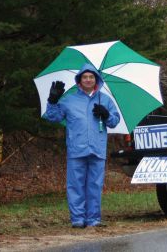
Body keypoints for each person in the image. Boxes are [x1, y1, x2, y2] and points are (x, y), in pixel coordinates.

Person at [44, 63, 120, 228]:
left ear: (96, 79)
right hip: (76, 149)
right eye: (85, 77)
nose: (88, 79)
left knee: (95, 185)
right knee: (75, 185)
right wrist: (52, 100)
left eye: (91, 77)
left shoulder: (105, 100)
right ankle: (77, 219)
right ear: (79, 80)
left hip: (97, 149)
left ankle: (93, 219)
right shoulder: (69, 99)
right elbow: (52, 117)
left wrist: (106, 114)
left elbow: (114, 121)